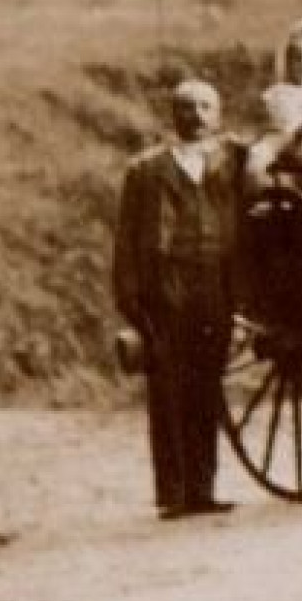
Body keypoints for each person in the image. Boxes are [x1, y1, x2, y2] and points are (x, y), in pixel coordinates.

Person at [112, 80, 243, 521]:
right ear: (174, 115)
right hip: (165, 288)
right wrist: (131, 300)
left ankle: (202, 489)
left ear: (218, 114)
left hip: (213, 286)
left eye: (206, 106)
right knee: (168, 388)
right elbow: (127, 240)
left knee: (206, 386)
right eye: (188, 107)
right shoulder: (147, 171)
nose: (197, 115)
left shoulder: (229, 161)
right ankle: (172, 491)